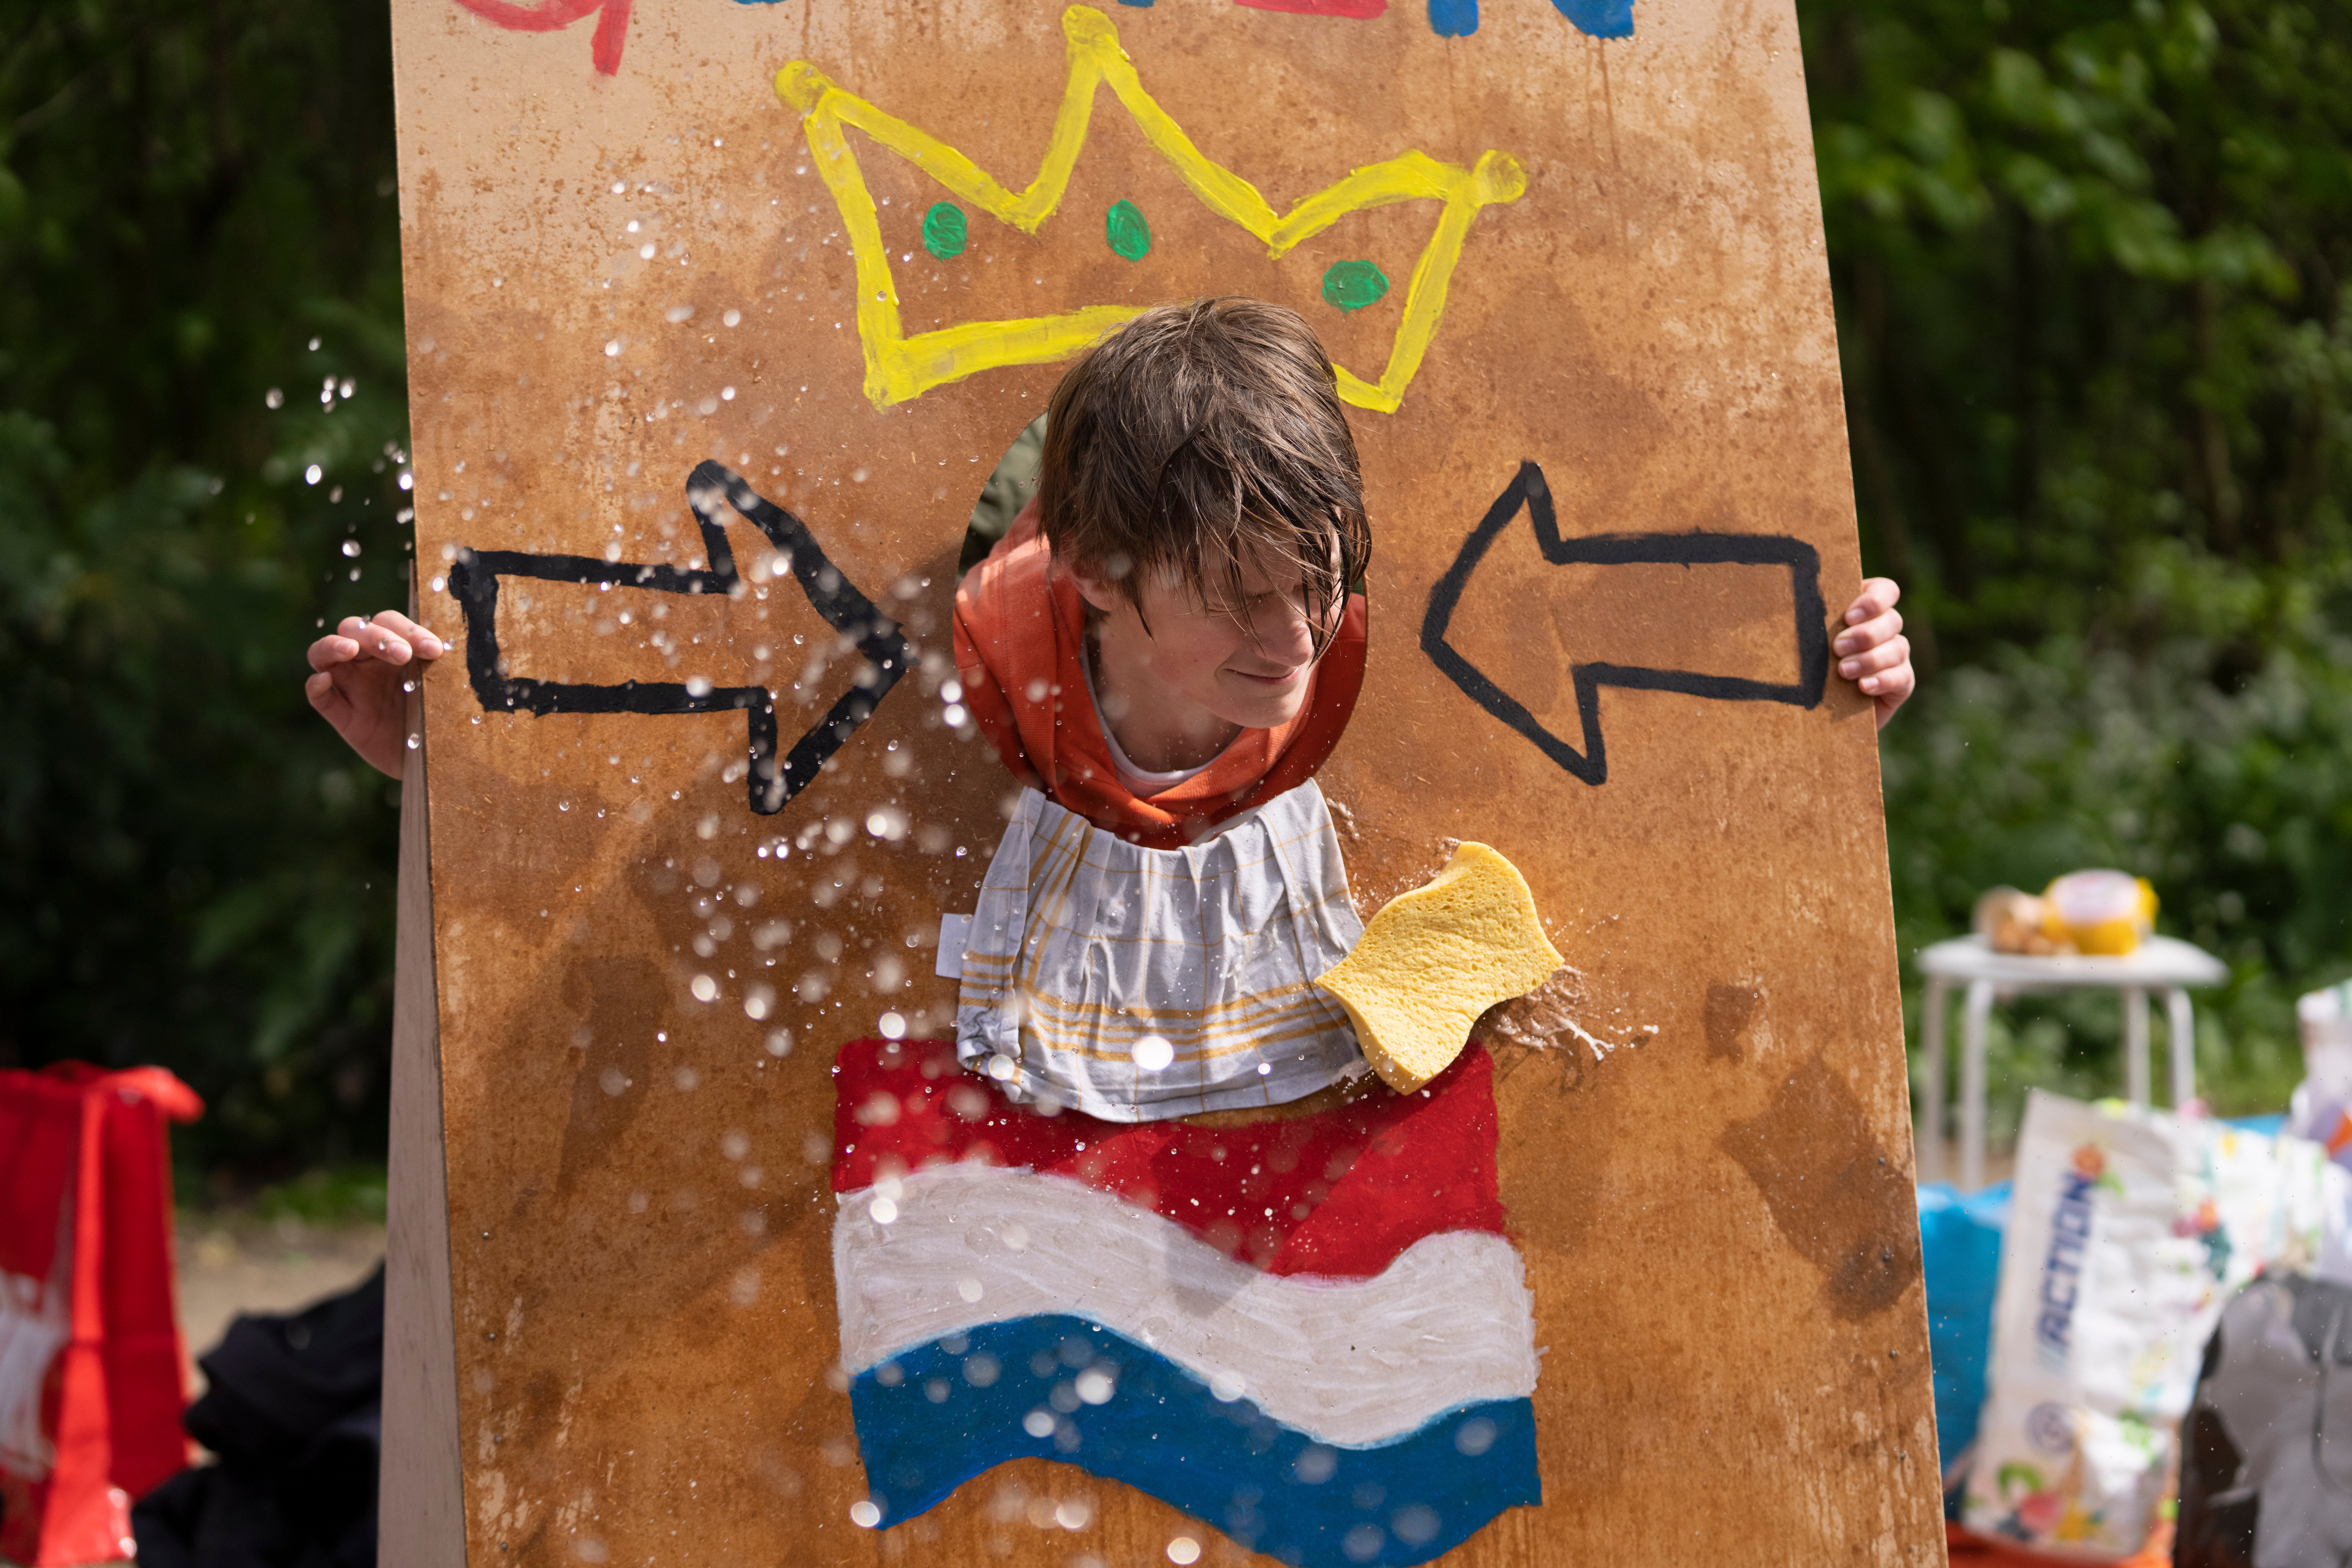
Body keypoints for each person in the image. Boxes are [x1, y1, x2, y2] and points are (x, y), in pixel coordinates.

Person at [308, 301, 1918, 797]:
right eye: (1237, 598)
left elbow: (1661, 736)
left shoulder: (1348, 634)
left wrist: (1821, 692)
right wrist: (443, 777)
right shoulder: (980, 657)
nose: (1296, 635)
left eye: (1320, 580)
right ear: (1093, 574)